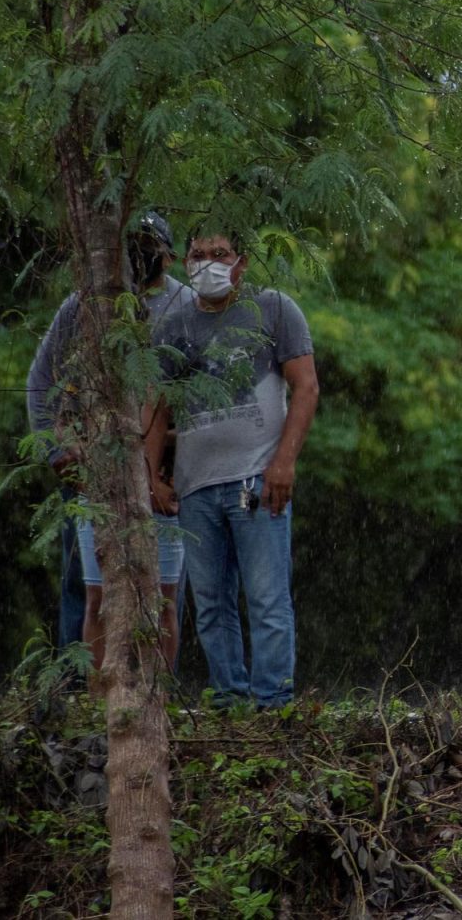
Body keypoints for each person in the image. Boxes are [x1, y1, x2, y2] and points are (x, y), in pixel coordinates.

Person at [146, 228, 319, 709]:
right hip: (195, 487)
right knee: (210, 605)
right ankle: (228, 701)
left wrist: (283, 463)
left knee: (266, 599)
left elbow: (306, 387)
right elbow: (156, 408)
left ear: (241, 262)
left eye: (220, 254)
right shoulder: (174, 328)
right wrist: (151, 477)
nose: (209, 264)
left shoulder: (274, 309)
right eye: (198, 254)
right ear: (183, 262)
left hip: (257, 480)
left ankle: (272, 703)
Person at [25, 211, 193, 661]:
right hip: (91, 468)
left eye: (148, 246)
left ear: (169, 256)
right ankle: (79, 688)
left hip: (163, 478)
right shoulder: (84, 304)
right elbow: (41, 381)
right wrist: (57, 450)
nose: (138, 255)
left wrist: (172, 468)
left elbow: (195, 397)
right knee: (87, 586)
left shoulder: (187, 307)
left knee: (161, 592)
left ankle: (155, 690)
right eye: (130, 244)